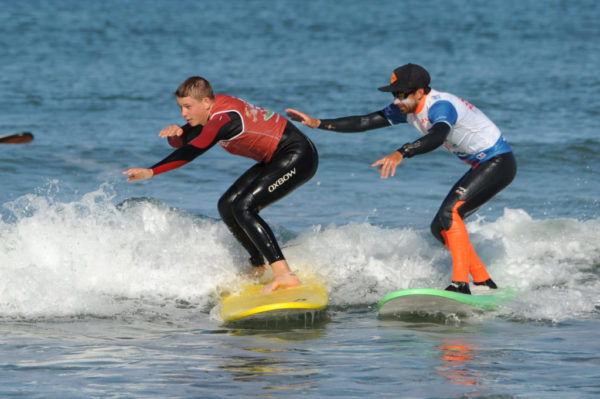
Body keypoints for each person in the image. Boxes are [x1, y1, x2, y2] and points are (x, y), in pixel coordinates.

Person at [286, 63, 516, 294]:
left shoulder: (440, 106)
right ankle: (483, 280)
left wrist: (402, 152)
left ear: (419, 92)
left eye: (402, 94)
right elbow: (365, 121)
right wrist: (319, 123)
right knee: (439, 228)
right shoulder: (407, 108)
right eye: (395, 94)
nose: (397, 100)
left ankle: (460, 284)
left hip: (498, 162)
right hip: (482, 164)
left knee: (450, 213)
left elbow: (437, 136)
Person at [123, 77, 318, 293]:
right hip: (275, 158)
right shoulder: (212, 111)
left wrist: (152, 171)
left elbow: (192, 150)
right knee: (227, 205)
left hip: (299, 157)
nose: (183, 114)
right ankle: (259, 265)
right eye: (181, 107)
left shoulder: (223, 120)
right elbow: (187, 138)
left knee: (244, 207)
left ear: (206, 102)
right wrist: (176, 134)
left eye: (188, 107)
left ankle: (284, 274)